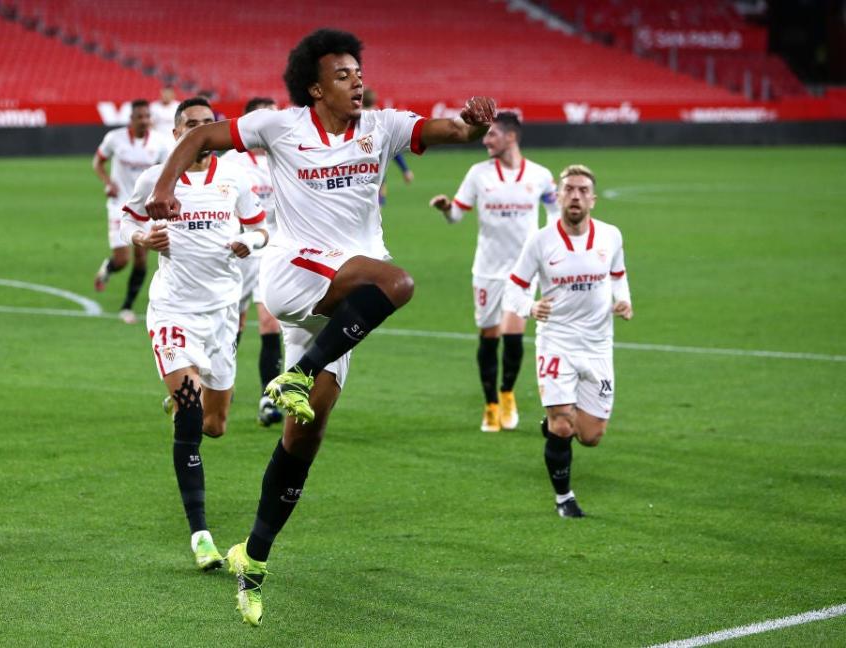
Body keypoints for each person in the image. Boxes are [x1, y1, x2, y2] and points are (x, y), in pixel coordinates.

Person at [144, 28, 496, 626]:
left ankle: (252, 559)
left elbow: (451, 131)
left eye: (358, 72)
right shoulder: (280, 127)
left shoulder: (382, 127)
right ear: (314, 87)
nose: (357, 81)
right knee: (399, 283)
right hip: (296, 272)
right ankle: (297, 375)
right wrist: (162, 189)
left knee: (304, 438)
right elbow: (204, 134)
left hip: (340, 303)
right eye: (342, 74)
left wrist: (475, 124)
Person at [120, 97, 268, 570]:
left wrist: (251, 241)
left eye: (209, 125)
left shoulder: (236, 177)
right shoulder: (156, 178)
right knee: (190, 419)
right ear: (177, 133)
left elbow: (264, 229)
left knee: (215, 425)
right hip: (173, 312)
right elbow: (129, 219)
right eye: (192, 126)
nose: (201, 133)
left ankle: (183, 396)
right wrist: (143, 238)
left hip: (223, 313)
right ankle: (201, 536)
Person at [504, 164, 632, 518]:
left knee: (590, 435)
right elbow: (512, 287)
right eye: (569, 190)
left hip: (597, 345)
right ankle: (564, 499)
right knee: (564, 424)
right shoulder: (540, 240)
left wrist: (625, 301)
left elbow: (619, 275)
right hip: (556, 342)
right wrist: (530, 307)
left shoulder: (611, 236)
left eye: (582, 190)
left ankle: (553, 422)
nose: (575, 196)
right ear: (558, 196)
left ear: (593, 198)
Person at [429, 112, 559, 432]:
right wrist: (446, 208)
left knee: (513, 335)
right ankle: (490, 406)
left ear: (511, 137)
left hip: (523, 272)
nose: (485, 140)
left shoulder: (541, 176)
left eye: (491, 135)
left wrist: (551, 250)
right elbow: (457, 216)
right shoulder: (478, 174)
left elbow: (555, 214)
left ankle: (507, 395)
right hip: (487, 270)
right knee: (489, 336)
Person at [220, 96, 285, 427]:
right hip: (239, 251)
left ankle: (268, 399)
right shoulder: (230, 163)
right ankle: (221, 383)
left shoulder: (287, 156)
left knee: (270, 323)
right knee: (234, 324)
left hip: (273, 251)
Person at [92, 99, 171, 323]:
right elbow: (97, 162)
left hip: (145, 207)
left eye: (147, 116)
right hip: (118, 205)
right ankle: (109, 267)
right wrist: (108, 182)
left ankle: (126, 306)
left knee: (141, 259)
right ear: (131, 119)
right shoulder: (114, 139)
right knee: (122, 259)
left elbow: (166, 173)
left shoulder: (160, 142)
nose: (145, 120)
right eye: (140, 117)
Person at [361, 87, 414, 205]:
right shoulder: (381, 121)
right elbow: (390, 146)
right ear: (374, 100)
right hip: (377, 175)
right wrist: (405, 170)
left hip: (354, 174)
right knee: (375, 212)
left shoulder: (353, 120)